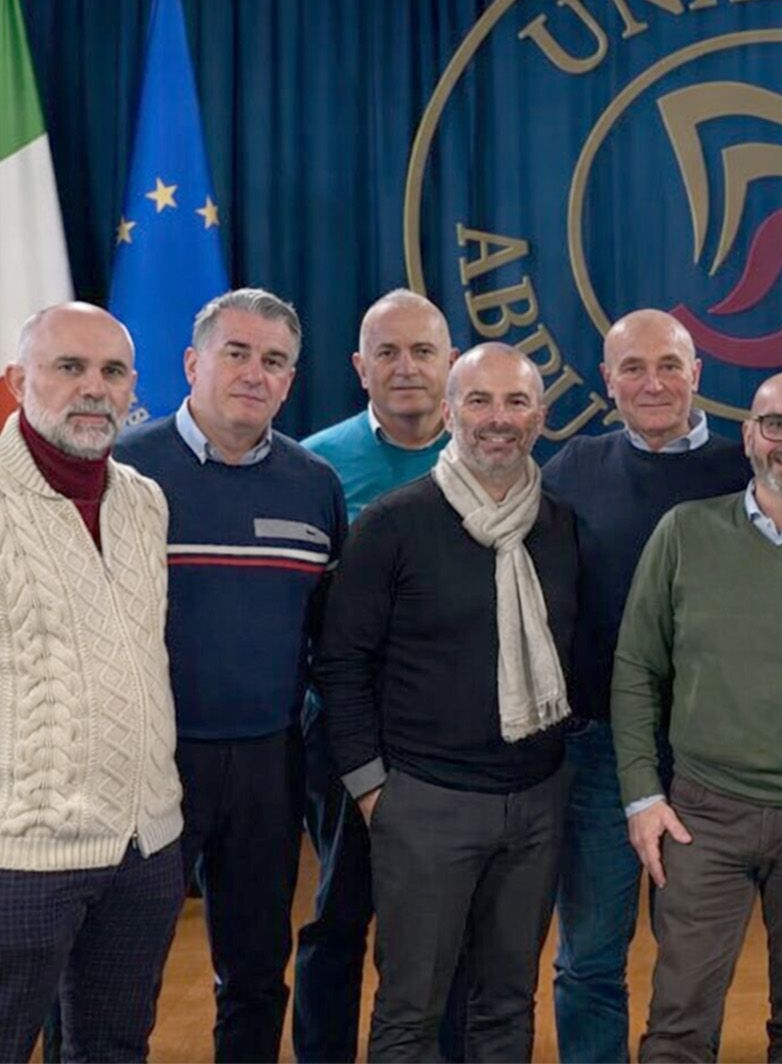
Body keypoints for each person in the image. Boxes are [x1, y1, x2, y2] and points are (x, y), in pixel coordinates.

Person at [543, 308, 782, 1063]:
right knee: (626, 980)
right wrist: (641, 791)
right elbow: (632, 663)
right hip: (659, 775)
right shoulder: (611, 489)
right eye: (777, 426)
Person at [314, 343, 576, 1063]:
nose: (499, 418)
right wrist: (372, 790)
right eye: (480, 401)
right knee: (410, 1009)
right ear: (451, 411)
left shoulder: (559, 524)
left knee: (508, 1003)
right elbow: (341, 663)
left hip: (535, 803)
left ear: (540, 416)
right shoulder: (393, 524)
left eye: (516, 402)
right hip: (424, 803)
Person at [117, 288, 346, 1063]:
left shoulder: (314, 484)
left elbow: (326, 635)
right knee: (119, 970)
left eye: (274, 360)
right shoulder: (124, 470)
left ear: (290, 380)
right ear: (192, 363)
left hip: (267, 764)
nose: (255, 373)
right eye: (237, 353)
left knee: (254, 970)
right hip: (147, 761)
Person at [0, 304, 185, 1062]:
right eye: (69, 367)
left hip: (146, 846)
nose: (93, 388)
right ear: (19, 381)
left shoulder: (145, 501)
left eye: (112, 372)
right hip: (21, 856)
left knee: (113, 1049)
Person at [294, 289, 457, 1063]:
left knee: (439, 922)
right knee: (339, 913)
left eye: (423, 351)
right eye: (387, 352)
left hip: (453, 740)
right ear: (360, 367)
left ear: (451, 363)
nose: (406, 368)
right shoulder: (313, 464)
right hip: (344, 731)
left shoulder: (491, 454)